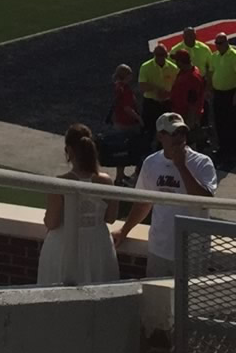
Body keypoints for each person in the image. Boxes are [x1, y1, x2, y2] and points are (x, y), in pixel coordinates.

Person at [115, 113, 218, 277]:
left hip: (192, 251)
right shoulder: (151, 163)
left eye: (182, 133)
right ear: (160, 136)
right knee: (157, 300)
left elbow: (204, 202)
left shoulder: (202, 163)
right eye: (173, 133)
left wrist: (181, 166)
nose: (179, 138)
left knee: (189, 301)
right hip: (159, 249)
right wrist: (124, 230)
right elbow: (143, 203)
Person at [35, 124, 120, 285]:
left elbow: (52, 222)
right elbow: (111, 218)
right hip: (98, 245)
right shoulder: (106, 181)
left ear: (69, 150)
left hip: (64, 246)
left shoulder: (61, 183)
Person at [209, 32, 236, 169]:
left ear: (226, 42)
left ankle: (233, 152)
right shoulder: (214, 56)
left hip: (231, 93)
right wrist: (210, 88)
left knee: (233, 123)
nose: (218, 46)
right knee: (220, 122)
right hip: (218, 93)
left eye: (220, 43)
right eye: (216, 43)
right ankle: (222, 148)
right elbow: (211, 72)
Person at [103, 64, 141, 184]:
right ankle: (120, 177)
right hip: (126, 123)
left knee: (121, 150)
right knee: (126, 149)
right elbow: (127, 108)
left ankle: (120, 175)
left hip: (119, 122)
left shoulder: (118, 87)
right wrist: (139, 118)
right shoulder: (124, 89)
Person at [137, 44, 176, 139]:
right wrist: (157, 89)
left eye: (162, 54)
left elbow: (177, 86)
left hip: (167, 104)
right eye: (157, 54)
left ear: (166, 55)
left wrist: (168, 94)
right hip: (151, 103)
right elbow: (142, 85)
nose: (159, 57)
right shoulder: (145, 67)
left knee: (168, 130)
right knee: (148, 130)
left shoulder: (173, 68)